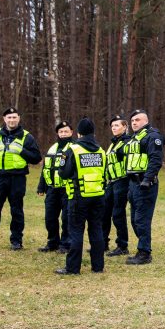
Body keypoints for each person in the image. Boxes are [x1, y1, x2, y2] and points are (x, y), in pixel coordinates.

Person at [0, 107, 42, 251]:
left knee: (17, 210)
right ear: (4, 119)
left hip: (17, 178)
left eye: (14, 117)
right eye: (9, 117)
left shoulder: (27, 137)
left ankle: (16, 241)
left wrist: (21, 151)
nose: (12, 120)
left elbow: (36, 158)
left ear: (19, 118)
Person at [55, 117, 106, 275]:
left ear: (78, 133)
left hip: (78, 196)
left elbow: (63, 173)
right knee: (96, 230)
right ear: (93, 133)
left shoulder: (73, 150)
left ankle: (72, 268)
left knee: (76, 232)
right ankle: (98, 267)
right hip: (98, 195)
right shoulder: (100, 150)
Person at [124, 108, 165, 265]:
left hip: (145, 184)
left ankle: (144, 253)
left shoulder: (152, 137)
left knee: (142, 220)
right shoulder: (134, 138)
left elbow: (155, 160)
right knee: (135, 219)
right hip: (133, 184)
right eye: (133, 121)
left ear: (146, 121)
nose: (134, 123)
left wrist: (147, 179)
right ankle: (142, 249)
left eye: (138, 120)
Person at [36, 120, 74, 253]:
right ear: (57, 133)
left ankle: (66, 244)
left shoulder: (74, 147)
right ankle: (52, 242)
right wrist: (41, 186)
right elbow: (46, 168)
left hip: (67, 188)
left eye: (66, 131)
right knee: (50, 217)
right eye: (61, 131)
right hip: (52, 189)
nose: (63, 134)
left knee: (66, 218)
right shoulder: (52, 148)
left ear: (71, 132)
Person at [104, 114, 131, 257]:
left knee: (118, 214)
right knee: (104, 212)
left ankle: (122, 245)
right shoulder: (113, 143)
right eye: (112, 126)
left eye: (117, 125)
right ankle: (103, 243)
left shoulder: (127, 142)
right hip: (111, 182)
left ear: (125, 127)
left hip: (122, 181)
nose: (114, 128)